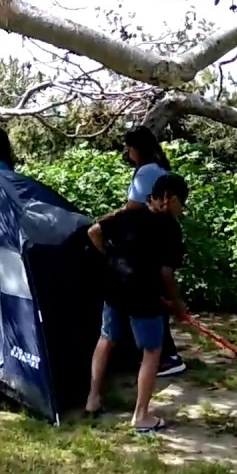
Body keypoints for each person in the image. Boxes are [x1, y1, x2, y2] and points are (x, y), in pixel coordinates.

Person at [84, 173, 190, 431]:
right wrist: (177, 304)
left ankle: (92, 400)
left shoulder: (128, 214)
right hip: (144, 295)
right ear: (171, 199)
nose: (181, 209)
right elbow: (166, 274)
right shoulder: (170, 228)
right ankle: (141, 416)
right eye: (181, 203)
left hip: (115, 287)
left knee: (106, 339)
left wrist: (109, 257)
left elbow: (94, 231)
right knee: (152, 352)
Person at [101, 126, 187, 377]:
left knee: (148, 299)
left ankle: (162, 356)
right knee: (154, 294)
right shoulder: (160, 168)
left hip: (140, 241)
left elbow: (132, 207)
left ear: (139, 148)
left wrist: (111, 224)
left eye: (129, 148)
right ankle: (159, 353)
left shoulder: (146, 171)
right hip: (151, 241)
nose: (127, 154)